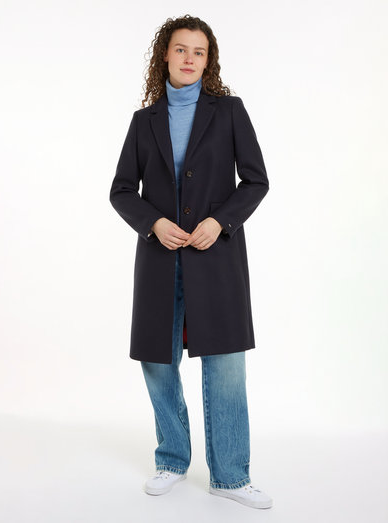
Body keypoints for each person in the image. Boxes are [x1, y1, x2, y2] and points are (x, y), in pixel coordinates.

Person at [109, 14, 273, 509]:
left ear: (208, 61)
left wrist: (220, 222)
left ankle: (230, 476)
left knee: (226, 366)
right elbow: (122, 190)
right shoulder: (144, 121)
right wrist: (154, 223)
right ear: (165, 55)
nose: (189, 59)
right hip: (160, 260)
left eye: (198, 52)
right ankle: (172, 459)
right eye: (181, 49)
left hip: (215, 257)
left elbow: (256, 180)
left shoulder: (230, 112)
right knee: (157, 361)